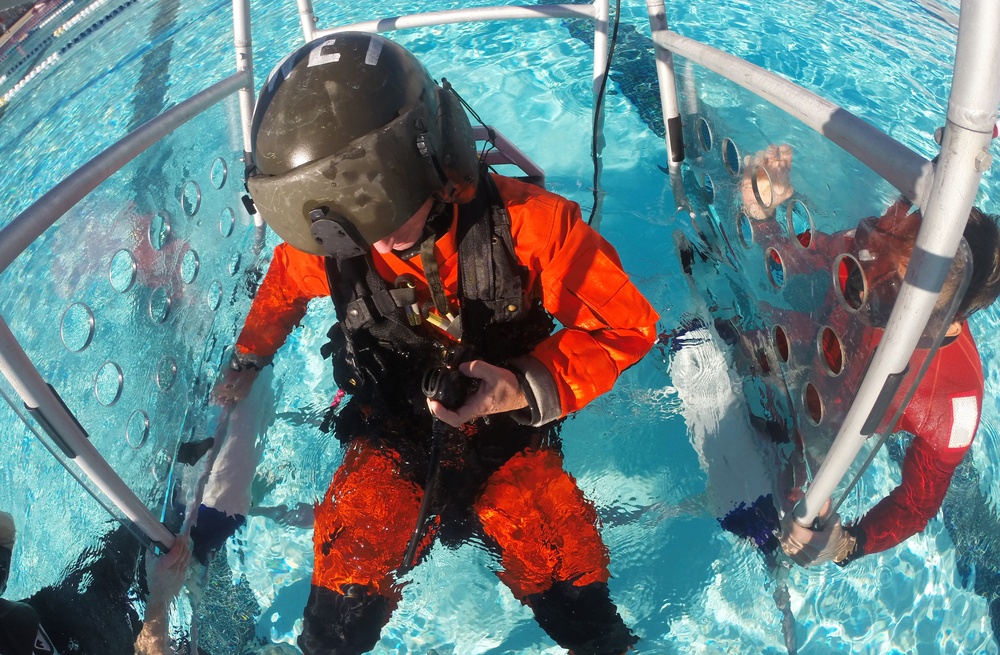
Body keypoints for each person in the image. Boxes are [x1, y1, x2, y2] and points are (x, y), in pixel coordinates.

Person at [211, 32, 658, 655]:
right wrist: (251, 356)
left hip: (511, 445)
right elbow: (285, 282)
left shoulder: (533, 228)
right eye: (361, 234)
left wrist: (524, 385)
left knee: (583, 611)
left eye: (392, 217)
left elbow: (627, 327)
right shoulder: (338, 250)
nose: (383, 246)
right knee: (335, 624)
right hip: (390, 439)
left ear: (433, 161)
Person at [740, 144, 1000, 567]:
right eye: (884, 253)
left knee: (788, 521)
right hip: (815, 343)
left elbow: (917, 506)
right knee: (726, 337)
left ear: (943, 318)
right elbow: (813, 255)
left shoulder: (952, 399)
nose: (867, 281)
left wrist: (846, 543)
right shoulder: (887, 244)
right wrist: (764, 214)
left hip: (842, 420)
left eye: (891, 288)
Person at [0, 509, 192, 655]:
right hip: (132, 636)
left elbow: (5, 531)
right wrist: (160, 597)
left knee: (148, 521)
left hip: (73, 600)